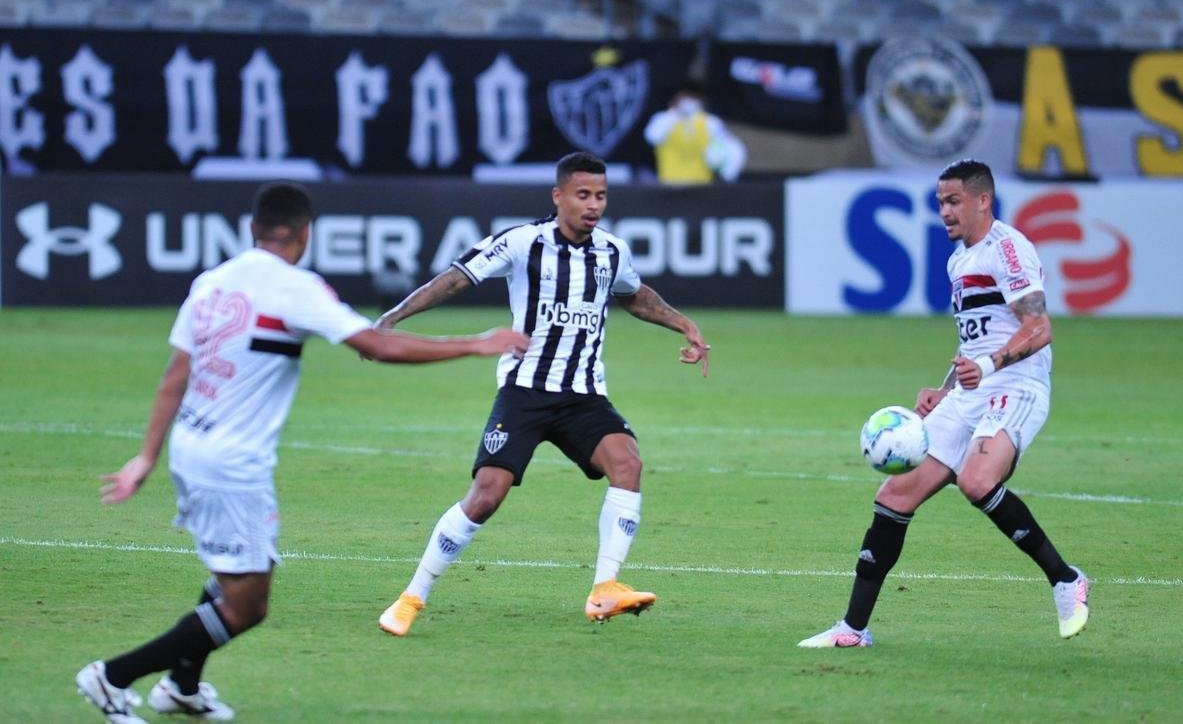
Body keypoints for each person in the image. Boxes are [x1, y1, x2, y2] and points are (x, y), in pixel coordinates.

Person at [75, 181, 528, 723]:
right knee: (248, 604)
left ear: (252, 229)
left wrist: (145, 456)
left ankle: (182, 686)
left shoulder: (213, 282)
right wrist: (475, 344)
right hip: (230, 463)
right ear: (306, 233)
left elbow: (177, 372)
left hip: (191, 445)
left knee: (235, 570)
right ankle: (112, 677)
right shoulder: (295, 288)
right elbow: (376, 345)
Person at [375, 151, 710, 637]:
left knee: (628, 464)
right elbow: (455, 278)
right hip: (525, 391)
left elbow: (633, 294)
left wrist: (685, 324)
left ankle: (605, 588)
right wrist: (391, 319)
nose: (593, 205)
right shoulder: (521, 242)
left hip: (583, 395)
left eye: (600, 195)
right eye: (583, 195)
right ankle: (411, 597)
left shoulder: (611, 251)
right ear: (558, 197)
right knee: (487, 495)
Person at [799, 159, 1089, 648]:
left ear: (982, 200)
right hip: (973, 388)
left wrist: (990, 368)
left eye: (953, 201)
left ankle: (1066, 580)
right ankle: (852, 630)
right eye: (939, 203)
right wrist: (945, 387)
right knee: (894, 496)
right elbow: (975, 343)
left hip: (1017, 385)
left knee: (977, 481)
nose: (944, 212)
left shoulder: (1008, 249)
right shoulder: (958, 260)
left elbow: (1039, 328)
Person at [643, 82, 746, 184]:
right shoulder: (662, 119)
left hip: (701, 189)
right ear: (676, 98)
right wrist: (674, 114)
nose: (689, 102)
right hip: (669, 187)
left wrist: (727, 174)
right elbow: (652, 137)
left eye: (693, 98)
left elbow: (733, 148)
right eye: (685, 97)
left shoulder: (711, 122)